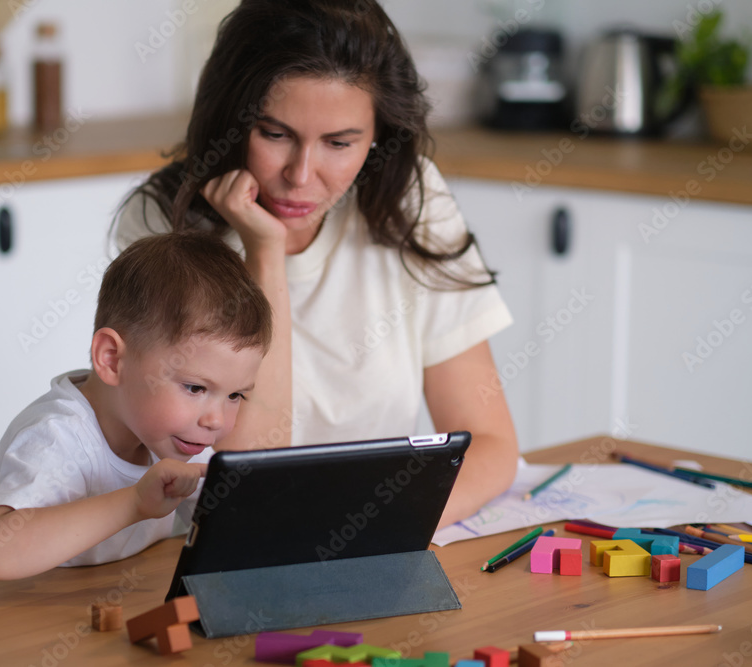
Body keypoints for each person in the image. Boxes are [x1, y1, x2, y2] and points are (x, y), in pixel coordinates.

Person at [114, 0, 518, 528]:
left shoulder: (409, 201)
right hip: (208, 545)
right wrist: (265, 254)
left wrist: (372, 523)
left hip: (367, 533)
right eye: (275, 135)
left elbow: (488, 443)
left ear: (377, 136)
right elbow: (242, 470)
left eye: (339, 143)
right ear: (231, 120)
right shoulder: (163, 223)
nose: (301, 176)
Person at [0, 233, 272, 590]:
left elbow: (230, 533)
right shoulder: (58, 437)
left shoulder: (180, 435)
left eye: (236, 395)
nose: (216, 421)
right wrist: (134, 503)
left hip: (77, 609)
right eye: (195, 388)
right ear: (112, 359)